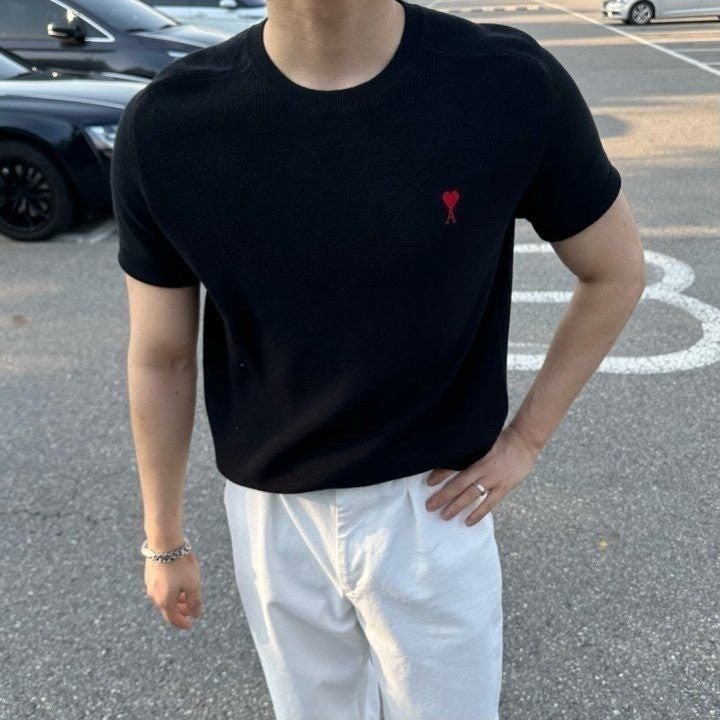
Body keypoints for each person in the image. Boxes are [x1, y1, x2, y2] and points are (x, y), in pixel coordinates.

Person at [111, 0, 645, 718]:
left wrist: (526, 441)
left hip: (434, 508)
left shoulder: (506, 82)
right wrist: (164, 541)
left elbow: (615, 270)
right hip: (272, 520)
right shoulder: (169, 122)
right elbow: (162, 356)